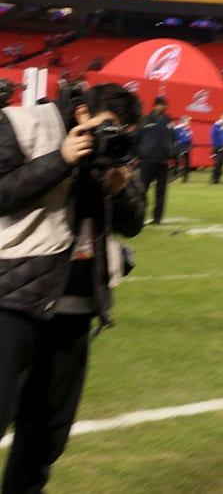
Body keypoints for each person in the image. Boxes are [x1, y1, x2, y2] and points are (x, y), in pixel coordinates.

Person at [0, 84, 145, 492]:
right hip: (13, 299)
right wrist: (61, 160)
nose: (113, 137)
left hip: (77, 309)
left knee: (46, 434)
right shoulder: (24, 123)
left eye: (123, 131)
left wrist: (118, 188)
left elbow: (134, 223)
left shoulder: (119, 149)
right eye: (108, 127)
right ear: (82, 113)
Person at [136, 96, 174, 224]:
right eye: (163, 105)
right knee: (142, 189)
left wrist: (172, 151)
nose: (165, 108)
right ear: (156, 105)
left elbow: (173, 138)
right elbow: (137, 136)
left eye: (165, 105)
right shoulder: (145, 119)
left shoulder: (168, 121)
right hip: (147, 160)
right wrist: (138, 153)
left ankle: (157, 218)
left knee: (161, 191)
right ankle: (140, 216)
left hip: (163, 161)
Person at [210, 113, 223, 184]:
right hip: (218, 146)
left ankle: (218, 179)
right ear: (221, 118)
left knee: (221, 164)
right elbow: (213, 135)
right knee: (218, 163)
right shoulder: (216, 125)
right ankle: (214, 179)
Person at [173, 115, 193, 183]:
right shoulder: (177, 129)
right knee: (177, 163)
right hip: (179, 148)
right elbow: (174, 139)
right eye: (188, 120)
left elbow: (189, 138)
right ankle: (175, 178)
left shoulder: (187, 129)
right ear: (183, 121)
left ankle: (185, 179)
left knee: (187, 164)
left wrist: (189, 145)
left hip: (186, 149)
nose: (189, 122)